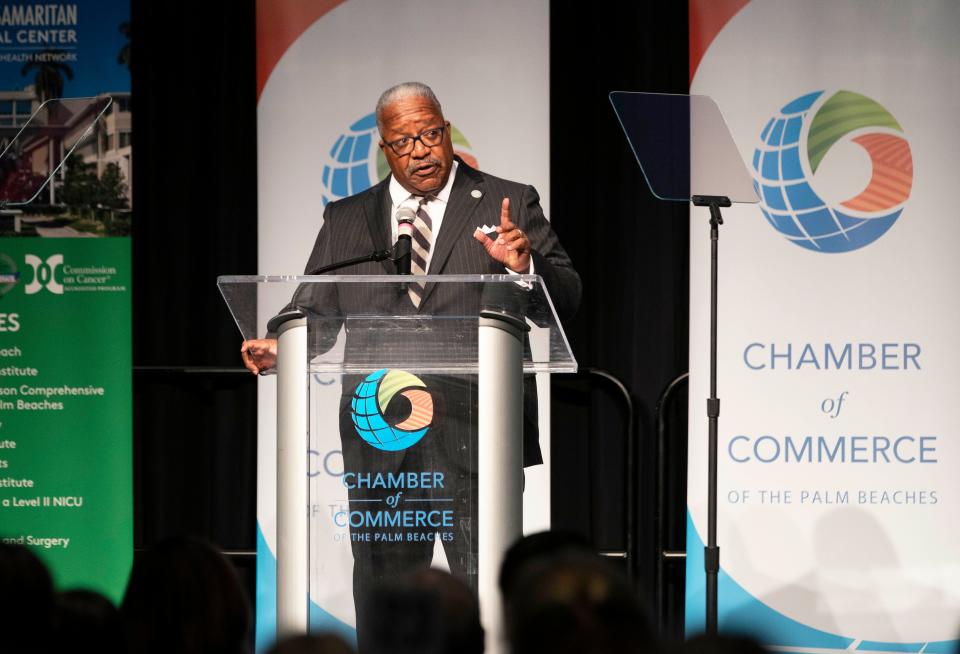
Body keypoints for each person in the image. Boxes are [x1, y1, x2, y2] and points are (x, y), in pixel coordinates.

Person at [241, 81, 580, 647]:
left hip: (477, 429)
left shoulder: (508, 201)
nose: (421, 150)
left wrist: (525, 268)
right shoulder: (348, 219)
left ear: (446, 133)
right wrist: (284, 341)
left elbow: (565, 300)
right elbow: (313, 307)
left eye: (430, 134)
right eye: (405, 141)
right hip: (380, 432)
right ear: (384, 149)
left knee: (485, 590)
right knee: (384, 592)